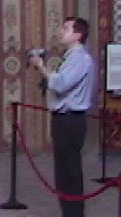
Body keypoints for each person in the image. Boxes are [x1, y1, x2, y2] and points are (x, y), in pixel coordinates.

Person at [29, 17, 96, 217]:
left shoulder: (80, 58)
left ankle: (74, 214)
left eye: (66, 29)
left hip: (70, 120)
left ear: (78, 35)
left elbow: (61, 84)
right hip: (64, 118)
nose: (60, 32)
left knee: (70, 172)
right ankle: (68, 212)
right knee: (64, 171)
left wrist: (41, 66)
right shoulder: (71, 57)